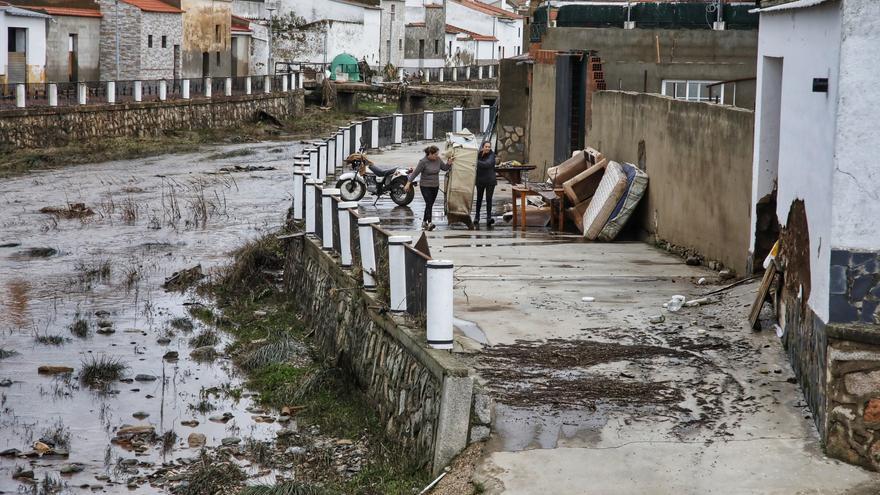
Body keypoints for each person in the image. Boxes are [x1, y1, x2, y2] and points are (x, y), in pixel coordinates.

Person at [404, 145, 454, 231]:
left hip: (435, 186)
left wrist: (449, 163)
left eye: (437, 154)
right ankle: (430, 223)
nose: (437, 156)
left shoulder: (438, 160)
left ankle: (424, 222)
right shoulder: (423, 162)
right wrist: (408, 183)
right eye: (435, 154)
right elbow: (415, 173)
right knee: (429, 203)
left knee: (429, 205)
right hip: (425, 186)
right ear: (430, 154)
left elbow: (444, 168)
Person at [474, 141, 497, 226]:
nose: (487, 148)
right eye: (486, 146)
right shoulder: (479, 154)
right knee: (479, 199)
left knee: (488, 199)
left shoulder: (492, 155)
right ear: (482, 147)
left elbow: (487, 164)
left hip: (490, 181)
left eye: (489, 147)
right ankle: (477, 217)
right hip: (480, 180)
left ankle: (488, 218)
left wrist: (475, 162)